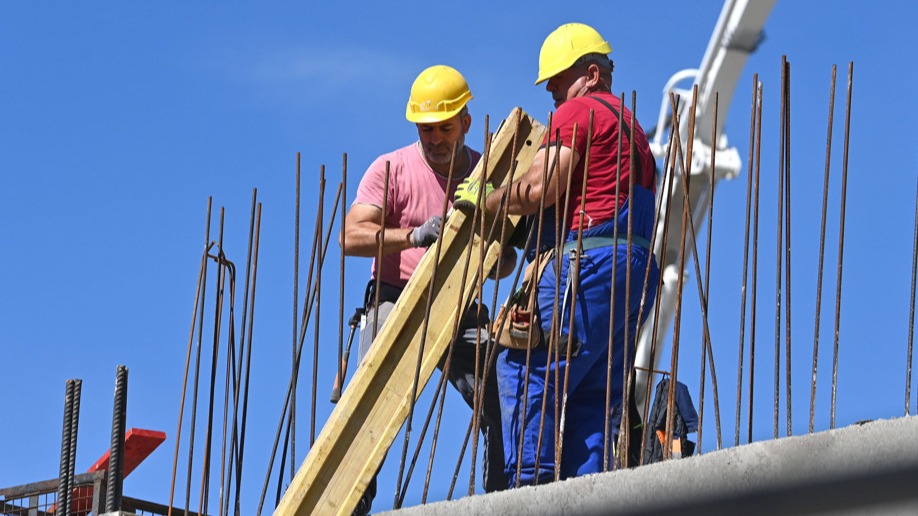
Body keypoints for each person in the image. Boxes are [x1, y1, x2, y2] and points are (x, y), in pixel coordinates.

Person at [454, 23, 659, 486]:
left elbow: (541, 187)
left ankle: (531, 490)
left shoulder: (579, 112)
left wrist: (485, 198)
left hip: (586, 264)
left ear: (590, 74)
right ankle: (588, 495)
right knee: (592, 391)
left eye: (558, 78)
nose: (550, 88)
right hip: (637, 276)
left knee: (523, 365)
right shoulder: (634, 132)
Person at [341, 64, 512, 514]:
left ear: (466, 123)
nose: (434, 139)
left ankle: (505, 500)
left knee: (504, 399)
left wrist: (483, 241)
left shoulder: (485, 173)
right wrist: (413, 236)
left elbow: (508, 261)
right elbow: (351, 237)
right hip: (394, 297)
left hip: (460, 305)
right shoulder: (391, 168)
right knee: (367, 407)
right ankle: (352, 504)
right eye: (425, 128)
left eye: (444, 128)